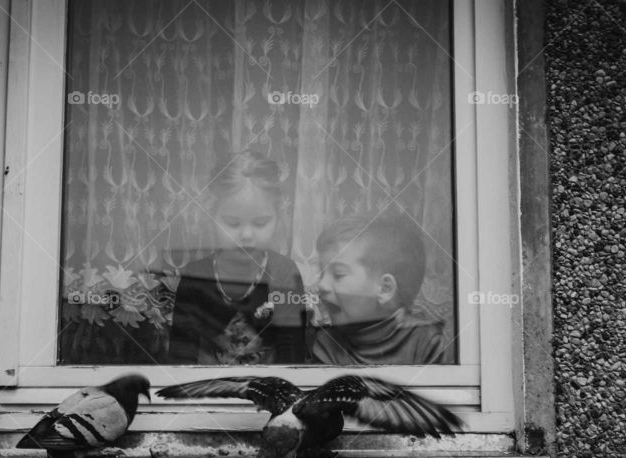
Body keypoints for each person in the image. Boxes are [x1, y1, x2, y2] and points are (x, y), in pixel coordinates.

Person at [168, 151, 306, 364]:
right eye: (233, 223)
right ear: (212, 218)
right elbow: (180, 355)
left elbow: (292, 357)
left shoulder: (284, 272)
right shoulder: (196, 275)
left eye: (260, 223)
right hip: (206, 391)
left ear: (278, 219)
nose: (247, 235)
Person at [311, 212, 449, 365]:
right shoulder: (326, 342)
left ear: (385, 289)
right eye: (322, 274)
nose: (321, 285)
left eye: (338, 274)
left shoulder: (426, 341)